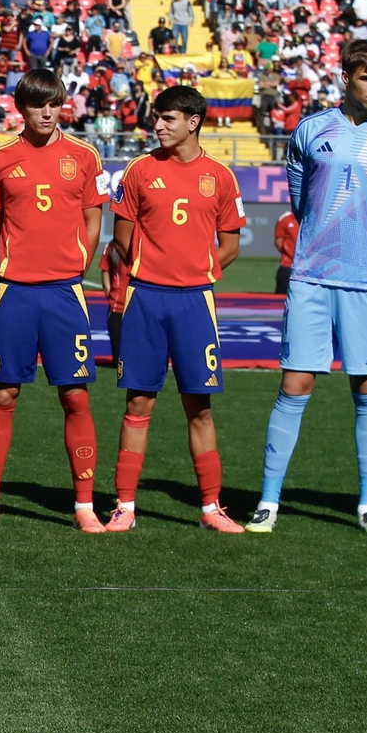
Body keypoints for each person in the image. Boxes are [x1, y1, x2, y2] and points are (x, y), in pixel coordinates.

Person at [245, 42, 367, 535]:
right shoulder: (311, 129)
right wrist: (322, 233)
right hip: (313, 273)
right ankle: (268, 501)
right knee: (295, 383)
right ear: (346, 77)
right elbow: (300, 194)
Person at [0, 69, 110, 533]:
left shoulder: (85, 156)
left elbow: (94, 220)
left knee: (74, 395)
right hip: (15, 291)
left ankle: (85, 505)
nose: (46, 113)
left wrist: (78, 265)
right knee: (4, 394)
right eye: (37, 105)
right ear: (22, 108)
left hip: (65, 293)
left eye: (53, 104)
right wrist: (7, 264)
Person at [106, 86, 246, 533]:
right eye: (157, 118)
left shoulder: (221, 176)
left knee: (199, 406)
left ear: (193, 121)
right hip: (145, 298)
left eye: (168, 118)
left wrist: (197, 271)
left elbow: (230, 245)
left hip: (194, 302)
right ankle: (124, 506)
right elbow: (122, 239)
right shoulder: (139, 170)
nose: (158, 126)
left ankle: (211, 509)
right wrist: (154, 268)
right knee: (139, 402)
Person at [100, 240, 129, 363]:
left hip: (138, 304)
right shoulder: (112, 246)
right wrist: (109, 291)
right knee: (118, 359)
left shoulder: (143, 243)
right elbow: (105, 270)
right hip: (118, 305)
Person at [273, 209, 298, 295]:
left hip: (307, 268)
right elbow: (278, 242)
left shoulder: (313, 218)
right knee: (280, 298)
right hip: (287, 265)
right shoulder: (285, 219)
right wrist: (289, 255)